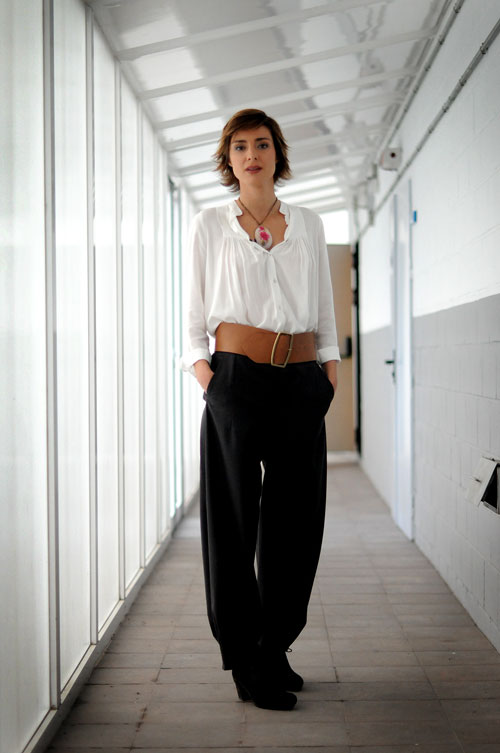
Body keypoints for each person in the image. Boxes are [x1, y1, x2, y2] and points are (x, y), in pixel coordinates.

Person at [181, 109, 340, 710]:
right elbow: (192, 317)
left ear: (278, 154)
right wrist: (207, 378)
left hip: (300, 382)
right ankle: (245, 657)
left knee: (296, 524)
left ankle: (275, 645)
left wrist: (327, 373)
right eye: (241, 146)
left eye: (263, 144)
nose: (253, 154)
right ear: (229, 159)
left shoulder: (309, 224)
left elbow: (324, 309)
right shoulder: (209, 224)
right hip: (235, 381)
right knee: (233, 522)